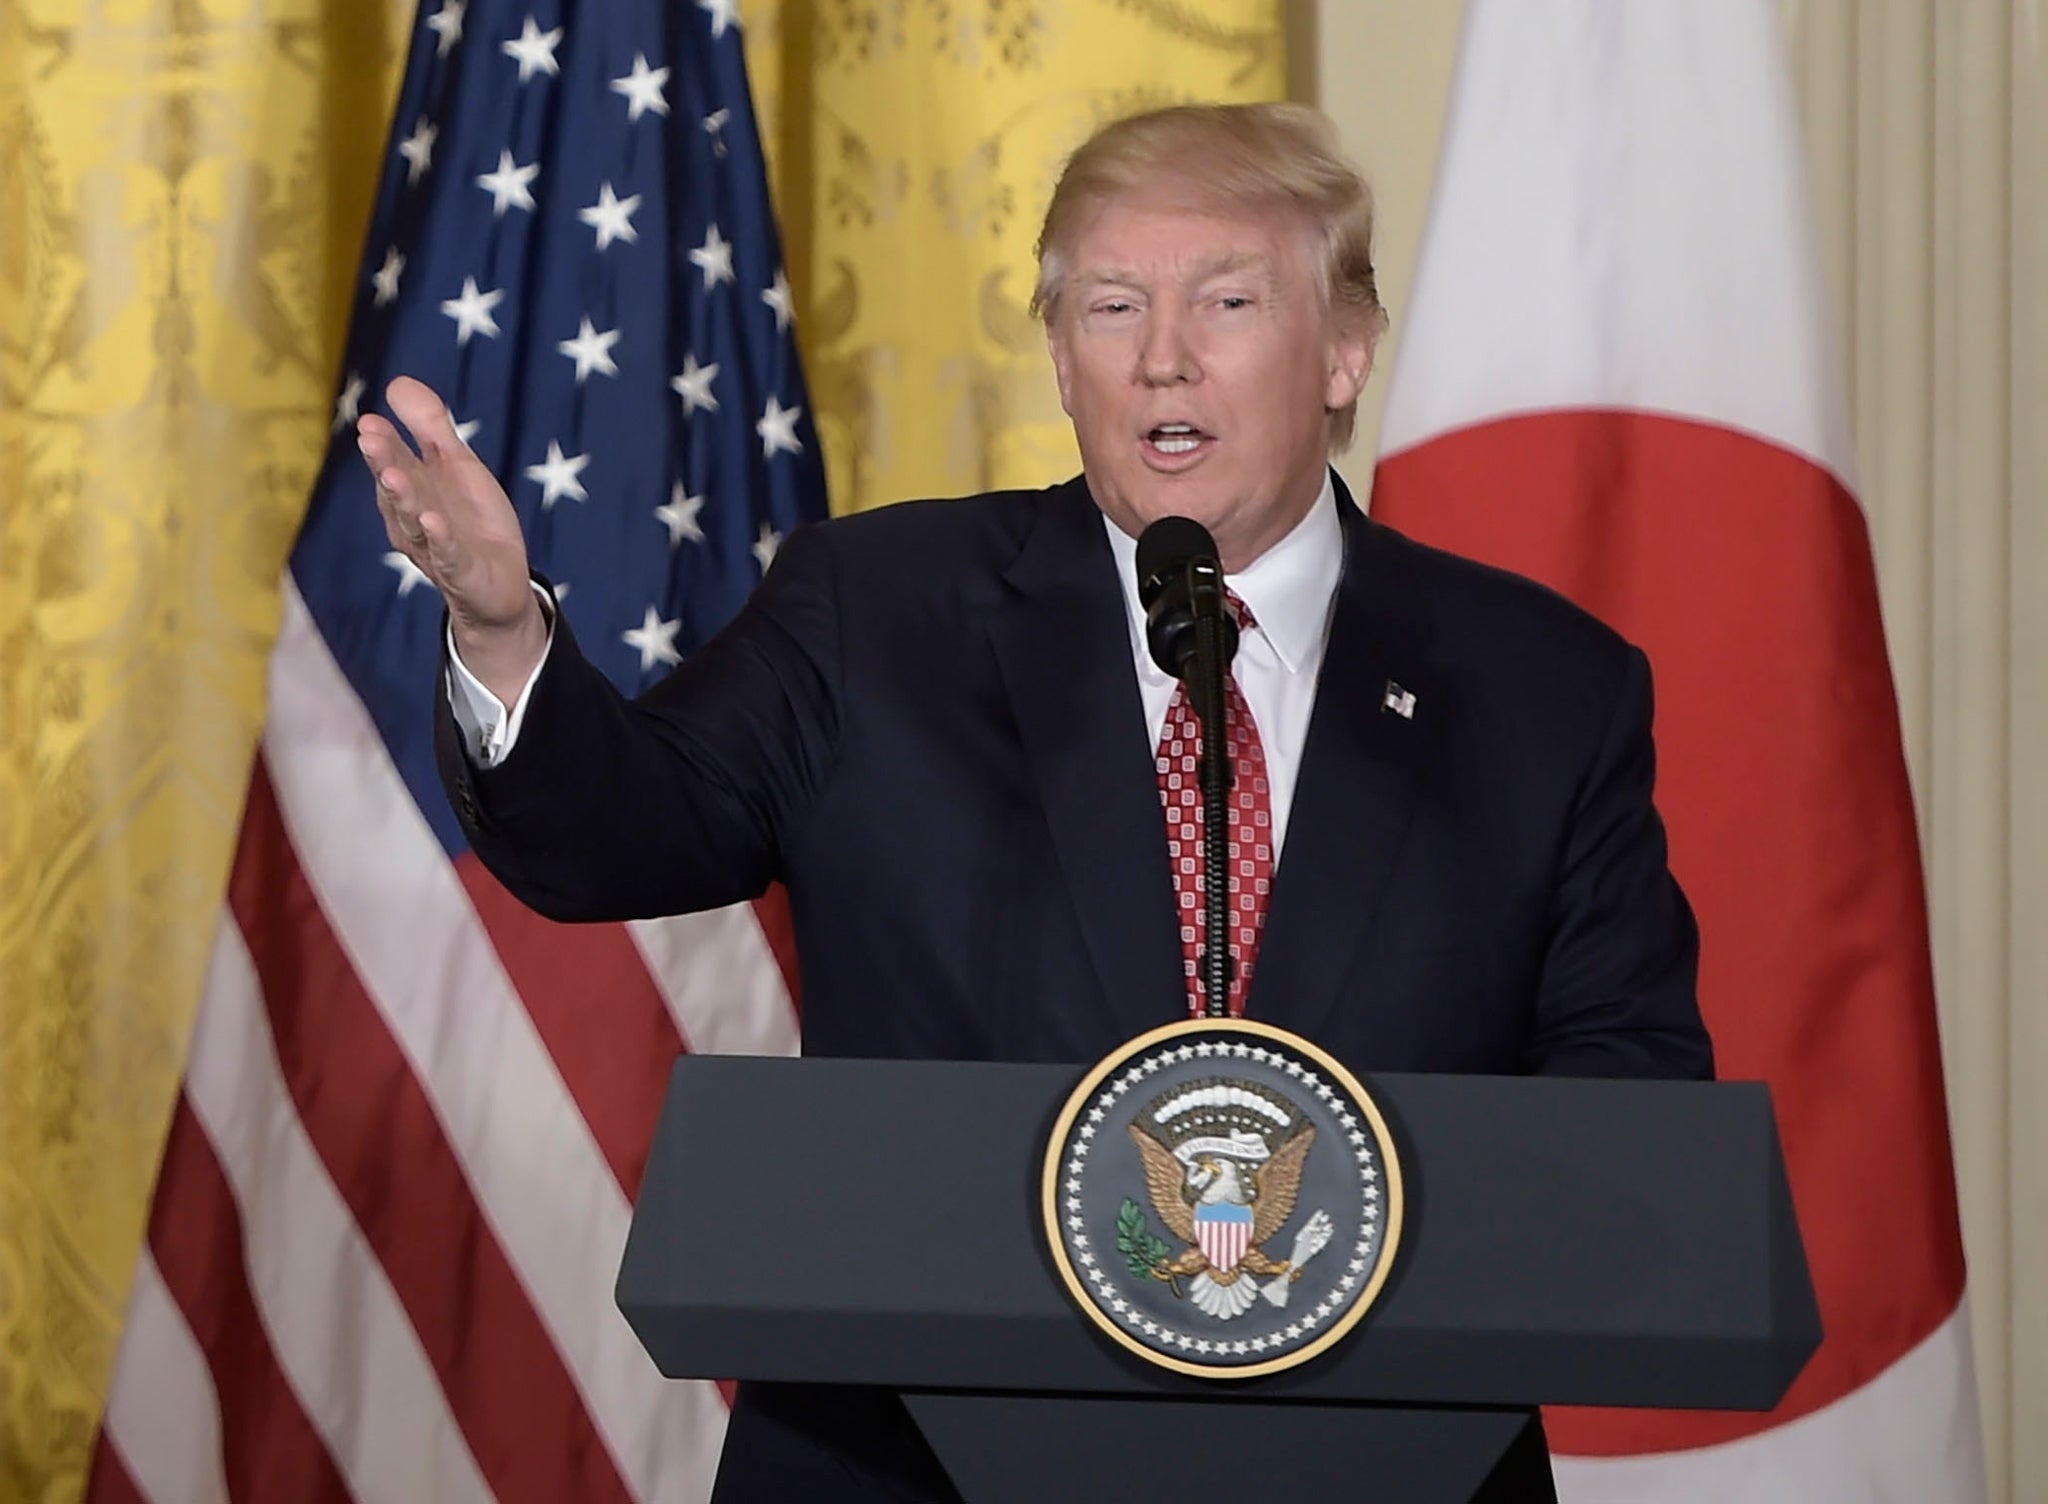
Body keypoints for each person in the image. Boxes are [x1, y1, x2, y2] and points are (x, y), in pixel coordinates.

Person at [357, 102, 1711, 1502]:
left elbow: (1628, 1098)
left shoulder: (1540, 687)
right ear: (1064, 356)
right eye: (1113, 304)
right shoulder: (874, 615)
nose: (1163, 355)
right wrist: (508, 634)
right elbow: (614, 831)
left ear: (1347, 351)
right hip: (906, 1467)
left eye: (1228, 301)